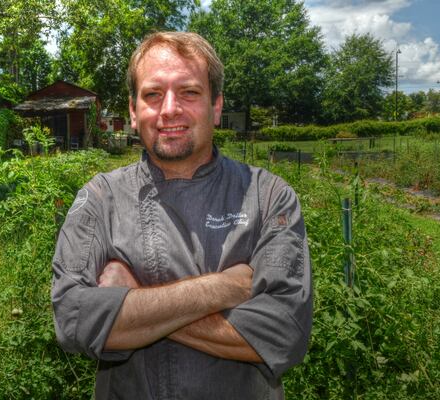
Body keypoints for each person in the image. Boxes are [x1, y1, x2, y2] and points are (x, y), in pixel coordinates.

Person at [51, 31, 312, 399]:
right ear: (132, 109)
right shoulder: (100, 199)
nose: (169, 108)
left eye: (189, 92)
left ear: (216, 106)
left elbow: (285, 333)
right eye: (153, 94)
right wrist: (224, 288)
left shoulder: (268, 196)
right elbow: (74, 319)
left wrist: (131, 299)